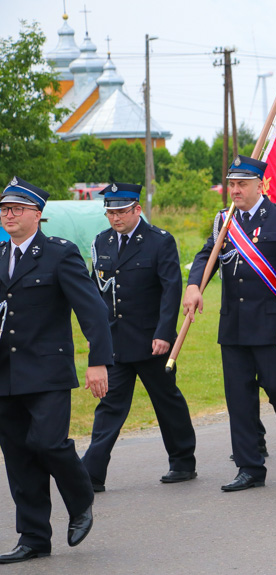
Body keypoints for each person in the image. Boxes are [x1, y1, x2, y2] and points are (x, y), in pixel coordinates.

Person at [184, 155, 276, 492]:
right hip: (234, 324)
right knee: (239, 398)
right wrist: (194, 285)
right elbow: (207, 256)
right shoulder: (224, 220)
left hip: (271, 325)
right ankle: (250, 467)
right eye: (232, 183)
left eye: (242, 183)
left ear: (261, 185)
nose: (235, 189)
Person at [0, 178, 112, 563]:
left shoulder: (59, 254)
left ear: (37, 214)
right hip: (6, 373)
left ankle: (80, 499)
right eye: (3, 209)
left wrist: (98, 360)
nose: (8, 215)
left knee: (49, 444)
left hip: (47, 371)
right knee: (17, 455)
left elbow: (93, 309)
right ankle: (33, 537)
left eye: (16, 209)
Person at [83, 183, 197, 492]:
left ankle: (183, 460)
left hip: (151, 342)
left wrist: (164, 334)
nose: (115, 218)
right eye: (110, 212)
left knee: (166, 401)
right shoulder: (101, 242)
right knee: (109, 406)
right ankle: (92, 473)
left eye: (121, 212)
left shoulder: (159, 241)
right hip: (116, 342)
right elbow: (98, 293)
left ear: (137, 209)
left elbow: (171, 290)